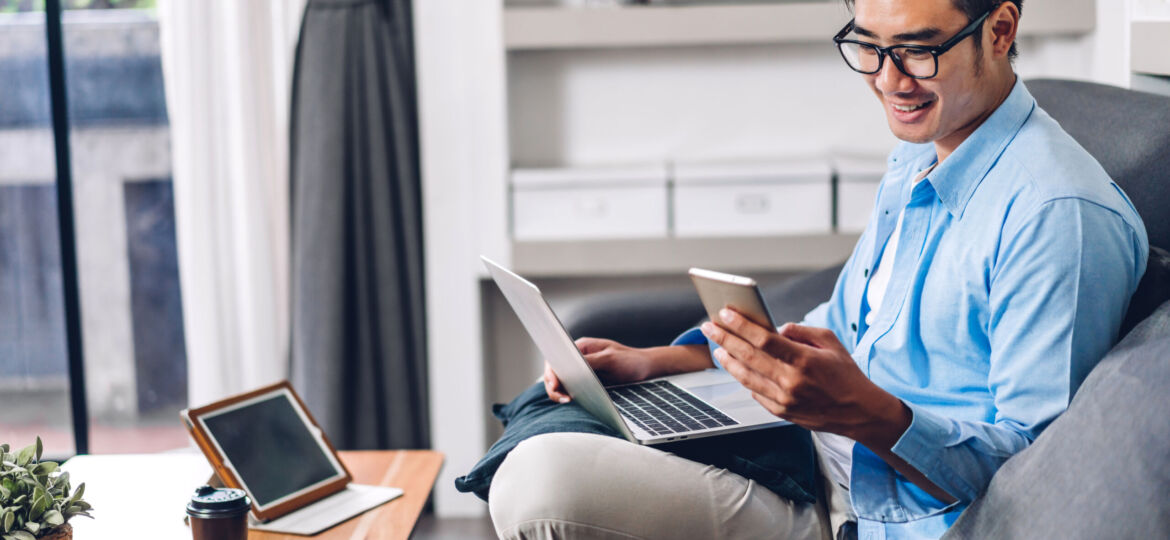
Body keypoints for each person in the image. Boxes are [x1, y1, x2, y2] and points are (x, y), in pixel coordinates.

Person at [488, 0, 1149, 538]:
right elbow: (845, 329)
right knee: (560, 424)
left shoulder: (1055, 217)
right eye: (869, 45)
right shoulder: (927, 149)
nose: (890, 81)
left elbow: (1034, 478)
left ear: (1000, 31)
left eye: (918, 50)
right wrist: (661, 362)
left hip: (874, 510)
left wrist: (871, 416)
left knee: (542, 482)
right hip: (805, 450)